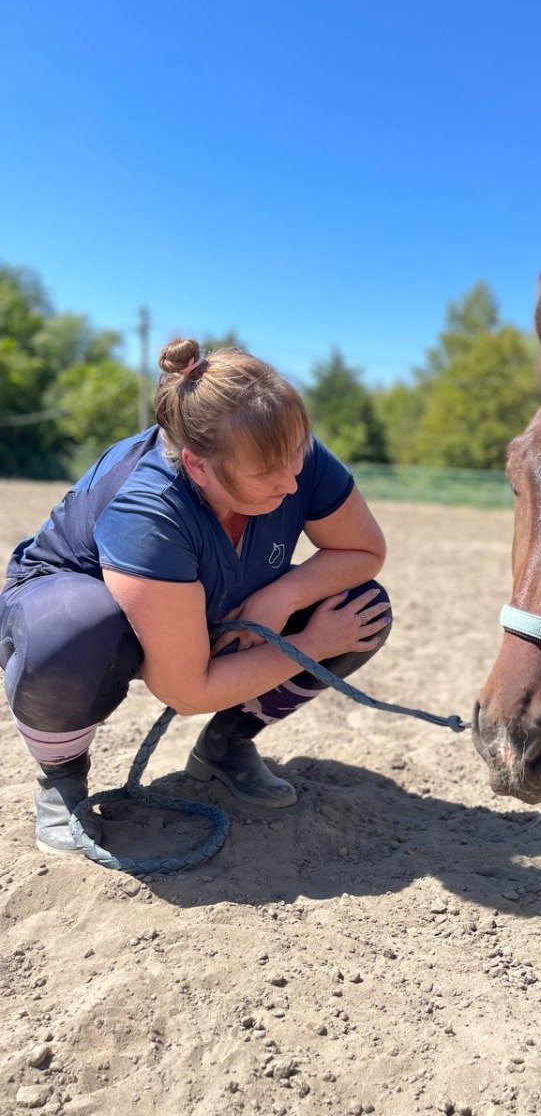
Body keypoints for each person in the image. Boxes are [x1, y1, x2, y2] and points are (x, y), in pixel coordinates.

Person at [0, 338, 392, 854]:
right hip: (85, 612)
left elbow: (363, 550)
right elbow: (184, 692)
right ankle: (61, 776)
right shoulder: (146, 507)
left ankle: (226, 744)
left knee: (364, 608)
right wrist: (313, 643)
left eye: (299, 453)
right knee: (70, 631)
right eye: (267, 473)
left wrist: (282, 597)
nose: (293, 482)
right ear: (198, 465)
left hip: (206, 597)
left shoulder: (287, 451)